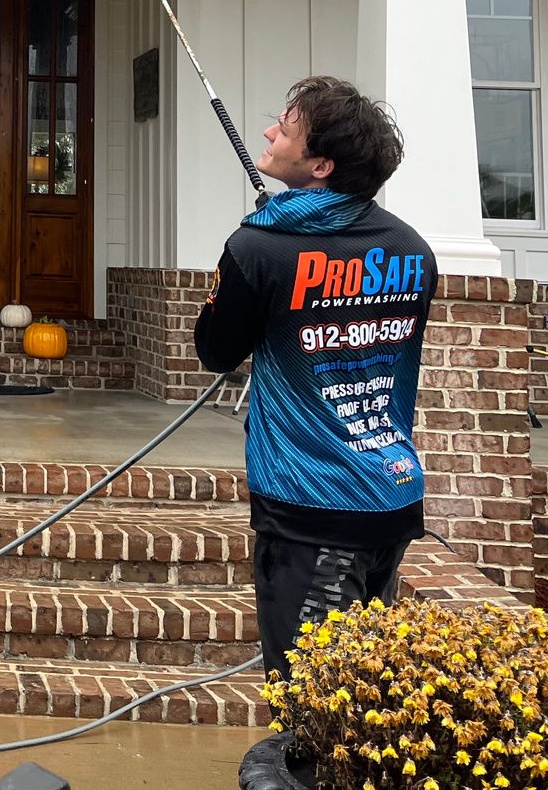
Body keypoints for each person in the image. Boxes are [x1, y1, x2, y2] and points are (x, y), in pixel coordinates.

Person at [193, 75, 435, 680]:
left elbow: (216, 351)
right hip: (391, 495)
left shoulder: (259, 248)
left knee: (310, 698)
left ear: (320, 164)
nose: (269, 131)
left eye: (287, 127)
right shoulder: (412, 248)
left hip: (310, 506)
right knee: (358, 692)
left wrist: (247, 259)